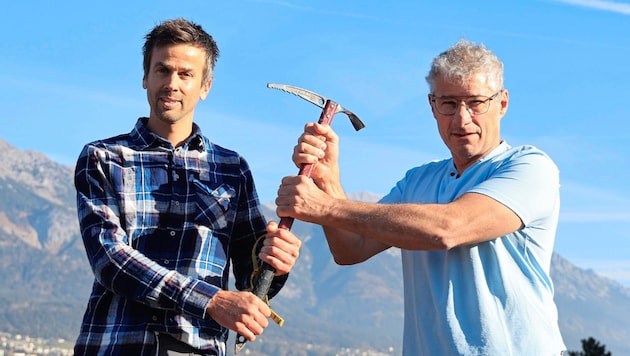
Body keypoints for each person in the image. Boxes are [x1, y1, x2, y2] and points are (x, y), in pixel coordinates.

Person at [275, 39, 566, 355]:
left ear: (503, 103)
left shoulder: (530, 167)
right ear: (432, 106)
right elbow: (350, 249)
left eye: (476, 103)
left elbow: (448, 229)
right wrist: (328, 176)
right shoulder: (418, 181)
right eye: (449, 104)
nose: (462, 119)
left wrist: (323, 206)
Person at [73, 18, 301, 356]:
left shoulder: (232, 169)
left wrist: (276, 266)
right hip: (116, 345)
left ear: (205, 86)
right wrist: (210, 300)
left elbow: (253, 285)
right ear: (145, 78)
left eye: (185, 74)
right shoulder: (105, 158)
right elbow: (110, 259)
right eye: (162, 70)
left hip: (199, 348)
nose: (172, 84)